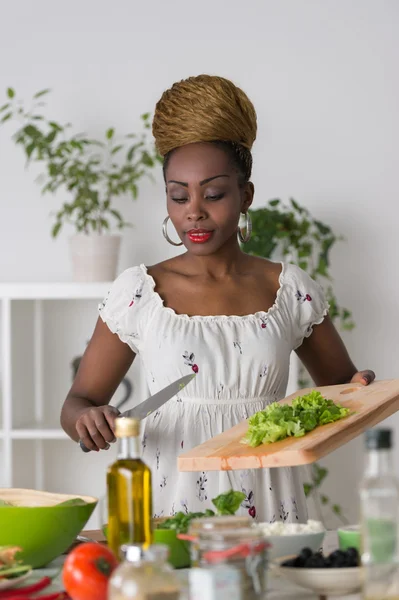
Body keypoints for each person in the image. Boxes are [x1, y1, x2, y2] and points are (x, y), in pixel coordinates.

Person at [60, 74, 375, 522]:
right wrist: (86, 421)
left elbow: (341, 397)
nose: (194, 210)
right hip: (171, 511)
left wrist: (359, 393)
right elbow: (78, 401)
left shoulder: (289, 289)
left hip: (269, 507)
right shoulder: (138, 293)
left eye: (213, 193)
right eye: (177, 195)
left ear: (245, 195)